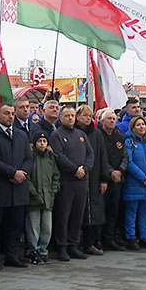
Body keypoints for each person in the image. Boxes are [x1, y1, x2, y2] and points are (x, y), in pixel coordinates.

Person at [0, 102, 33, 269]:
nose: (10, 116)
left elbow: (29, 158)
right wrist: (12, 173)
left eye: (12, 113)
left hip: (19, 188)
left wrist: (22, 173)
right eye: (6, 113)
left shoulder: (21, 135)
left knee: (15, 225)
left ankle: (12, 256)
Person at [49, 106, 94, 261]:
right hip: (66, 181)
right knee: (63, 215)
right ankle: (62, 246)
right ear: (61, 117)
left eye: (72, 115)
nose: (70, 118)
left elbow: (90, 154)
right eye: (67, 115)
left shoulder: (81, 134)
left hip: (81, 181)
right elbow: (58, 156)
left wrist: (85, 168)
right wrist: (74, 169)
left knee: (78, 214)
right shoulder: (56, 135)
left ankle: (73, 245)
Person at [76, 105, 110, 255]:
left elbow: (103, 156)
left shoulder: (97, 134)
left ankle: (94, 241)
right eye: (84, 115)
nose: (87, 118)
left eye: (89, 115)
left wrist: (104, 178)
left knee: (96, 210)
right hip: (79, 176)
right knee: (80, 211)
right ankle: (79, 242)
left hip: (95, 176)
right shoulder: (75, 132)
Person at [122, 116, 146, 250]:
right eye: (138, 125)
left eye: (143, 124)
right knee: (131, 212)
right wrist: (143, 178)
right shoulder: (129, 142)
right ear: (132, 128)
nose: (141, 127)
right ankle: (131, 237)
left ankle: (144, 237)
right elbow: (129, 163)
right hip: (135, 183)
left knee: (145, 213)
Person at [26, 131, 59, 264]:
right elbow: (27, 177)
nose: (42, 144)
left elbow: (56, 176)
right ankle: (32, 250)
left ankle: (43, 250)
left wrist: (54, 191)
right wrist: (33, 192)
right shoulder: (31, 157)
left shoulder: (50, 158)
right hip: (34, 198)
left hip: (48, 197)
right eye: (39, 141)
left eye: (44, 141)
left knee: (46, 227)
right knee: (33, 227)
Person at [98, 110, 128, 251]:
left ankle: (110, 238)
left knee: (113, 210)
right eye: (108, 119)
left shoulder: (119, 137)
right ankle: (98, 240)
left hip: (117, 180)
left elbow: (125, 157)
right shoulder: (98, 136)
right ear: (102, 121)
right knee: (101, 210)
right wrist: (110, 172)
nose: (111, 121)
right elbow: (100, 158)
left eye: (113, 119)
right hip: (104, 179)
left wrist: (120, 171)